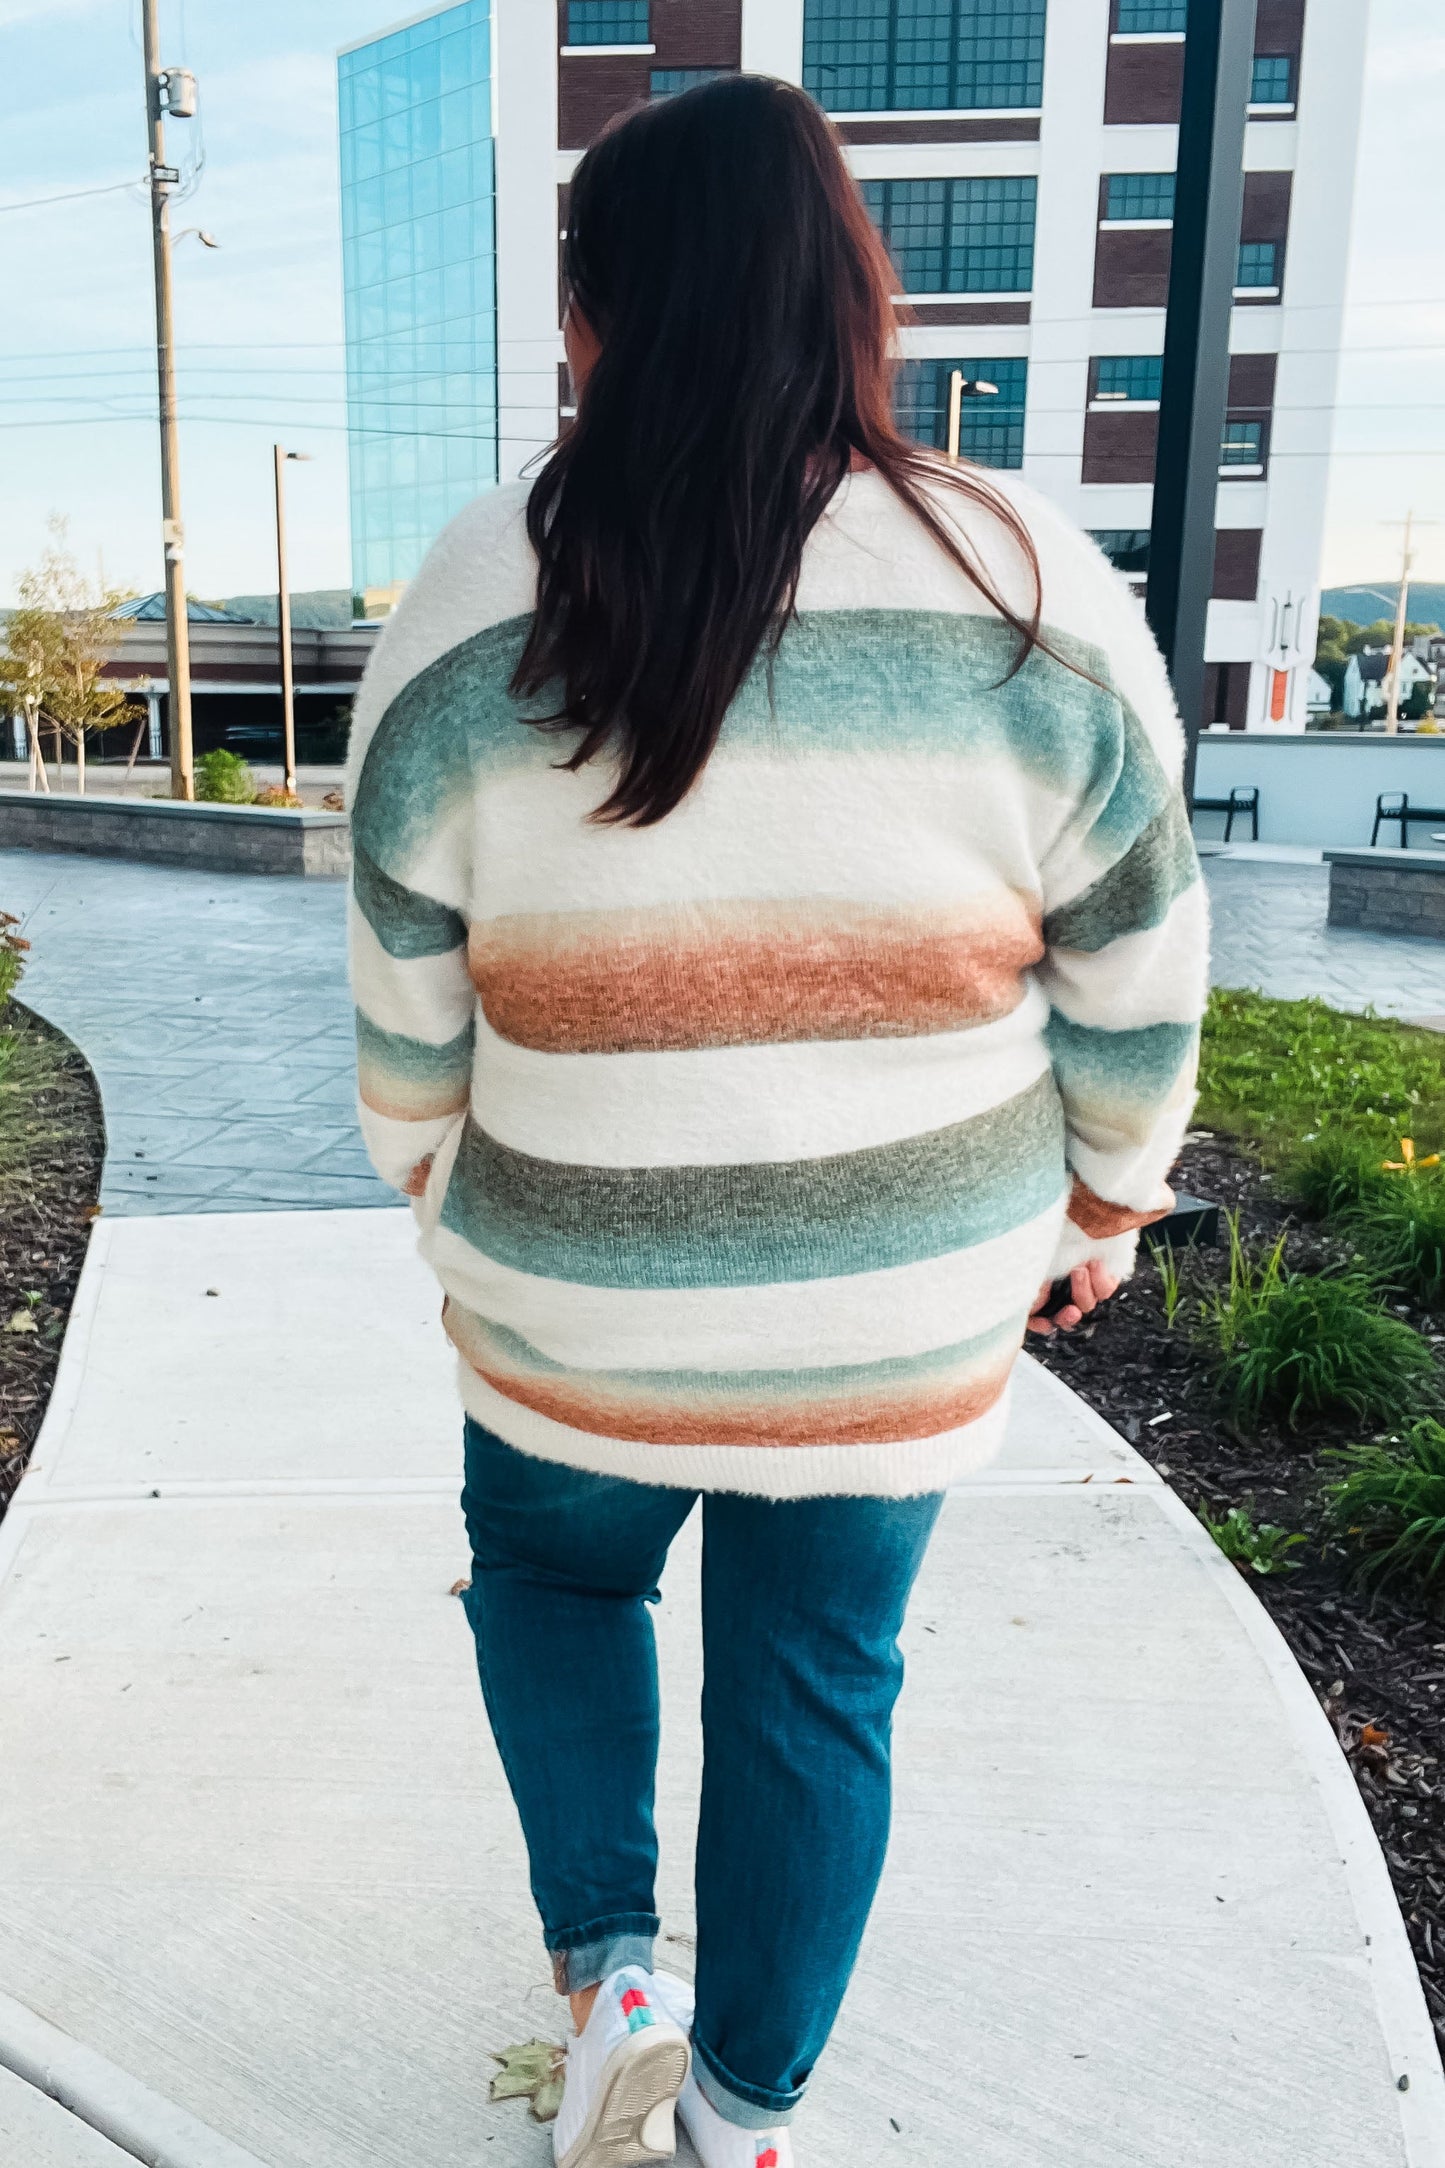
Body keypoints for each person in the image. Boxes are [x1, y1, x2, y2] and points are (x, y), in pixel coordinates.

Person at [346, 73, 1207, 2168]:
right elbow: (1137, 964)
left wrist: (439, 1178)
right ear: (858, 300)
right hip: (894, 1316)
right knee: (818, 1681)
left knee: (554, 1583)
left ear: (590, 314)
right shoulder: (1026, 581)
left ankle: (609, 1970)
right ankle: (743, 2115)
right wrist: (1102, 1204)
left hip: (571, 1291)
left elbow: (402, 976)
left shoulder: (479, 585)